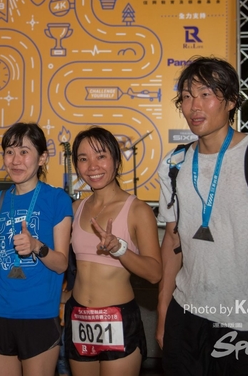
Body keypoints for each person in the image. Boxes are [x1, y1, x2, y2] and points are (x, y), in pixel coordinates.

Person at [156, 56, 248, 376]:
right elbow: (172, 241)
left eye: (206, 94)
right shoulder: (173, 164)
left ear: (232, 100)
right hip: (186, 316)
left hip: (247, 322)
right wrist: (164, 311)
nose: (194, 105)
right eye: (187, 96)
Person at [0, 122, 73, 376]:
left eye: (24, 152)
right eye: (10, 152)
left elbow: (62, 264)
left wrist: (36, 246)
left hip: (38, 313)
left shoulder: (56, 199)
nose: (15, 160)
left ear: (42, 158)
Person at [64, 126, 161, 376]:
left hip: (117, 318)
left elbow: (154, 273)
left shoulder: (138, 210)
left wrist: (120, 249)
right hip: (79, 317)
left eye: (101, 156)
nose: (92, 166)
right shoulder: (75, 208)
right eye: (83, 158)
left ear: (117, 161)